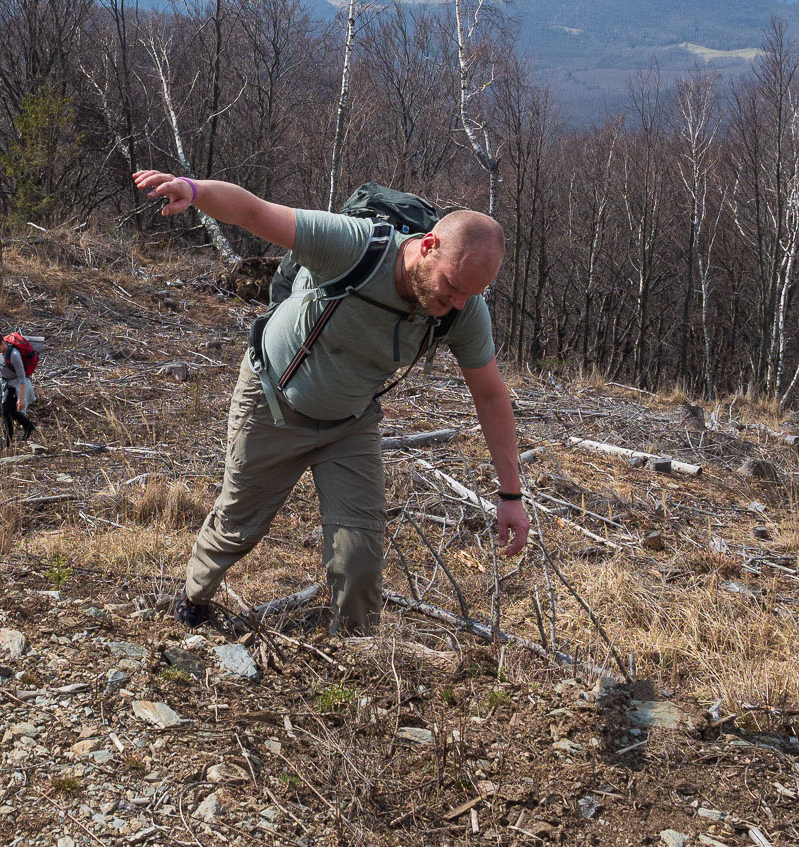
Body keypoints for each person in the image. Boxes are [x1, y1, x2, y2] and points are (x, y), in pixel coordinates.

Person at [133, 168, 530, 633]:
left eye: (472, 295)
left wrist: (510, 494)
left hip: (350, 423)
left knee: (360, 553)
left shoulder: (463, 309)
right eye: (452, 287)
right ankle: (194, 597)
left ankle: (356, 654)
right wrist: (195, 191)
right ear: (427, 246)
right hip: (273, 404)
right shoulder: (354, 247)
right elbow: (254, 212)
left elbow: (489, 393)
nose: (459, 303)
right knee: (237, 526)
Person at [0, 328, 36, 445]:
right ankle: (28, 426)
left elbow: (22, 377)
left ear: (2, 343)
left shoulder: (14, 355)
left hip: (17, 385)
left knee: (7, 412)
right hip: (6, 384)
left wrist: (21, 399)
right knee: (10, 412)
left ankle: (7, 441)